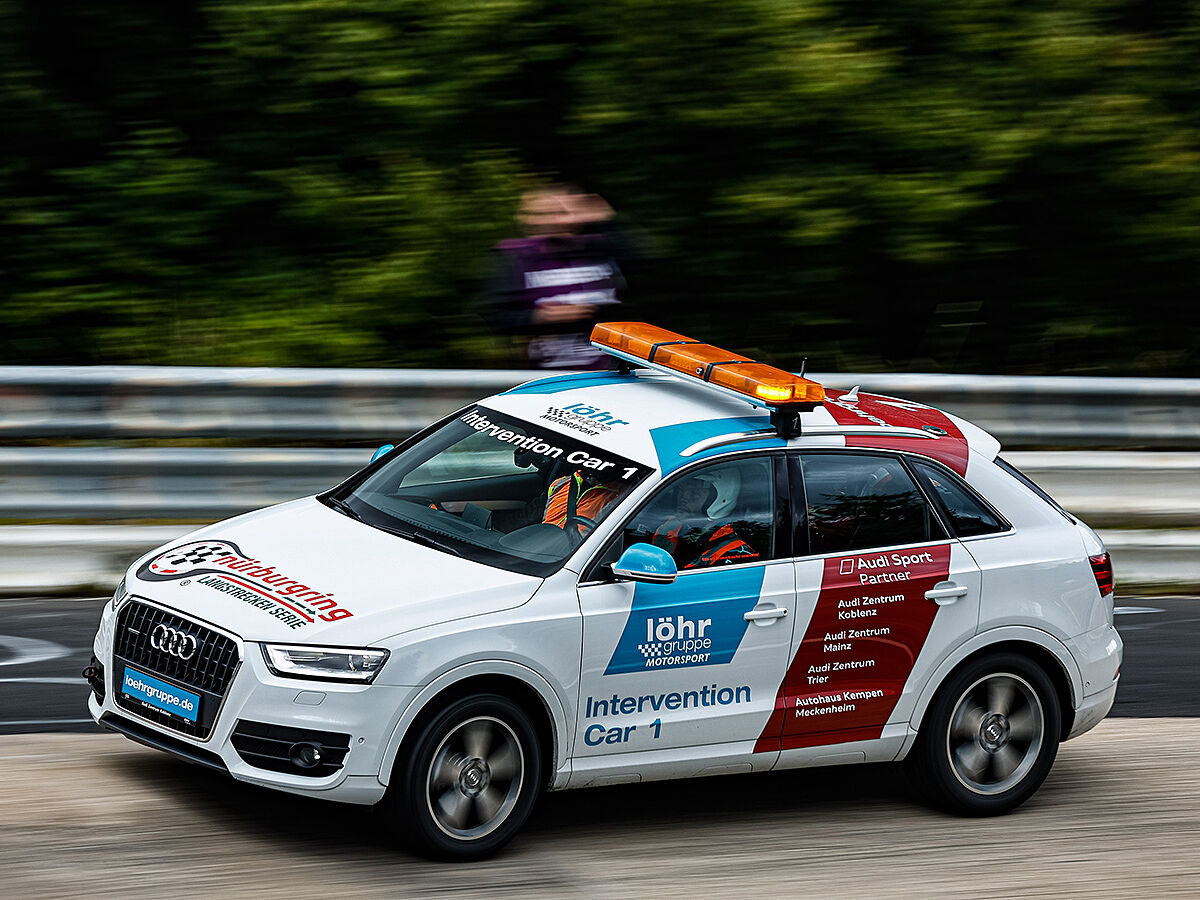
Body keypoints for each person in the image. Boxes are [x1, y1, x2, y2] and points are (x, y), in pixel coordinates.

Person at [483, 184, 631, 370]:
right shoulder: (514, 256)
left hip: (610, 371)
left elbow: (648, 288)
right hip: (546, 376)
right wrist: (538, 316)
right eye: (541, 214)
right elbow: (494, 315)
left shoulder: (602, 247)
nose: (552, 220)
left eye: (560, 212)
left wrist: (608, 221)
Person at [651, 469, 760, 570]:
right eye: (681, 490)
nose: (683, 497)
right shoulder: (668, 528)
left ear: (720, 498)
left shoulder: (735, 553)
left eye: (694, 492)